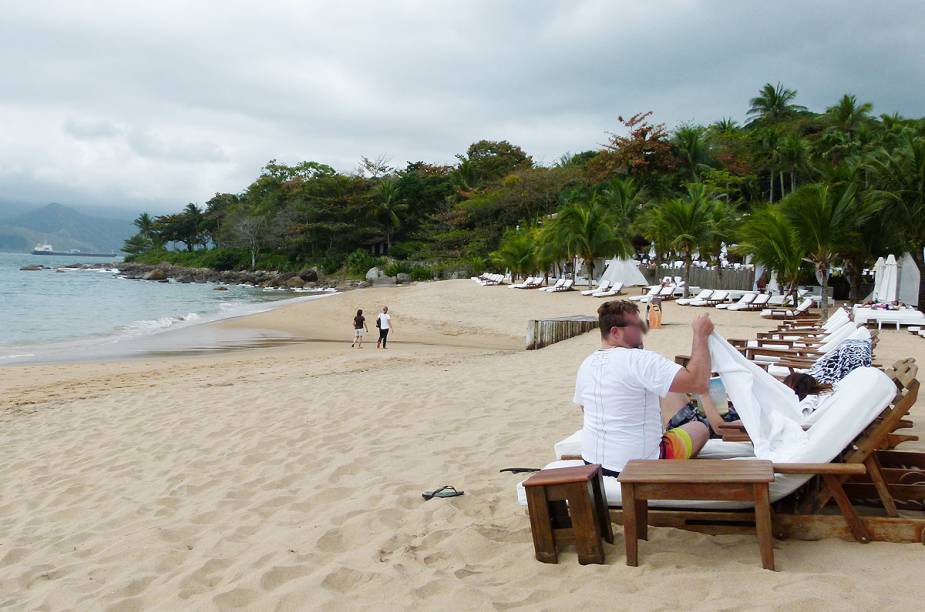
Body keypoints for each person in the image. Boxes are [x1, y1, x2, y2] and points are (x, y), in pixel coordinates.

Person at [573, 300, 714, 477]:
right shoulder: (639, 359)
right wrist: (700, 336)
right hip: (639, 466)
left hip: (592, 462)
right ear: (615, 332)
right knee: (699, 428)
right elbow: (698, 383)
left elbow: (584, 408)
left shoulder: (586, 364)